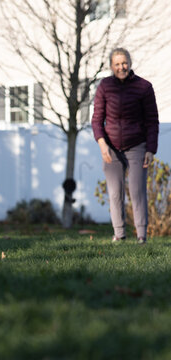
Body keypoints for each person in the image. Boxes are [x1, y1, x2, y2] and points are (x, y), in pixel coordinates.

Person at [92, 48, 159, 245]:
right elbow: (97, 120)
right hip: (111, 147)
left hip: (137, 145)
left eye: (124, 63)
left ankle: (141, 237)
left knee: (137, 191)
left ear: (129, 63)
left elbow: (152, 121)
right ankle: (119, 234)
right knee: (115, 192)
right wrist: (102, 144)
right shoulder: (104, 86)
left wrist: (150, 149)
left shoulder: (144, 87)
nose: (121, 67)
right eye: (117, 64)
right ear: (111, 66)